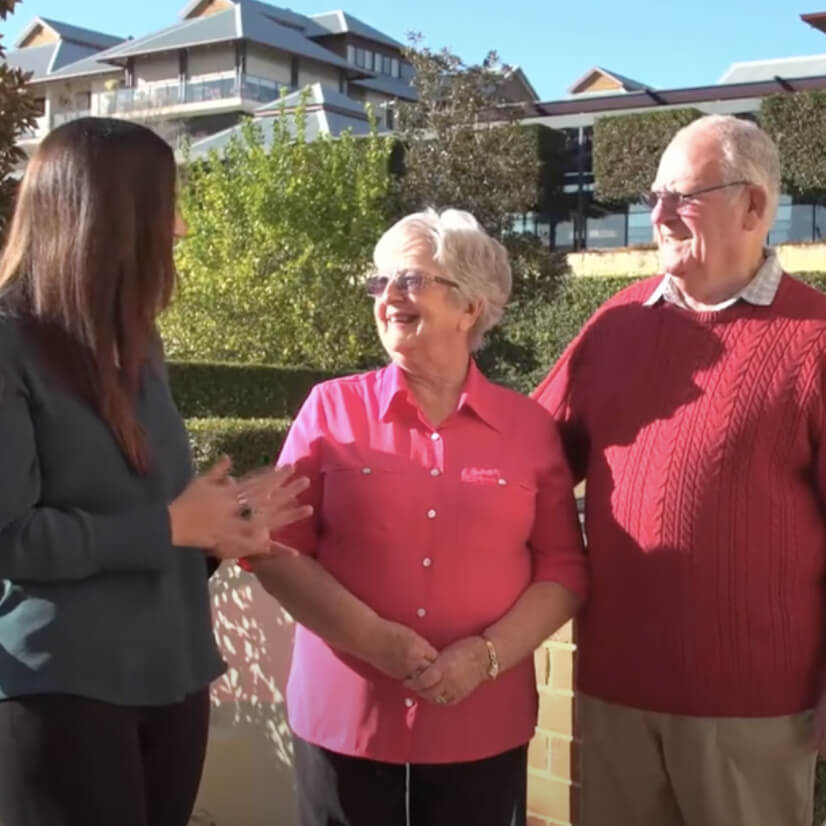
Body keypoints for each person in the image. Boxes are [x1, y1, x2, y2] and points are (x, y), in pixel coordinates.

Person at [0, 117, 311, 826]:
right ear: (111, 217)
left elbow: (153, 526)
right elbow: (10, 538)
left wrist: (215, 533)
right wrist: (169, 525)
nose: (182, 229)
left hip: (173, 679)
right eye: (167, 206)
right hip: (61, 692)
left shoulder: (138, 346)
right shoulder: (9, 345)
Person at [249, 207, 587, 826]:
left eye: (409, 279)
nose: (388, 297)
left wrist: (485, 656)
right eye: (380, 282)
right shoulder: (329, 410)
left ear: (470, 307)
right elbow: (276, 548)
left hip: (481, 724)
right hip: (347, 719)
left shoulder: (529, 429)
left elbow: (563, 570)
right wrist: (372, 639)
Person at [533, 113, 826, 826]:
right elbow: (527, 455)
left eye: (683, 197)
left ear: (753, 206)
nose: (657, 215)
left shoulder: (816, 339)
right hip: (614, 694)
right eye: (654, 195)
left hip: (753, 708)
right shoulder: (616, 323)